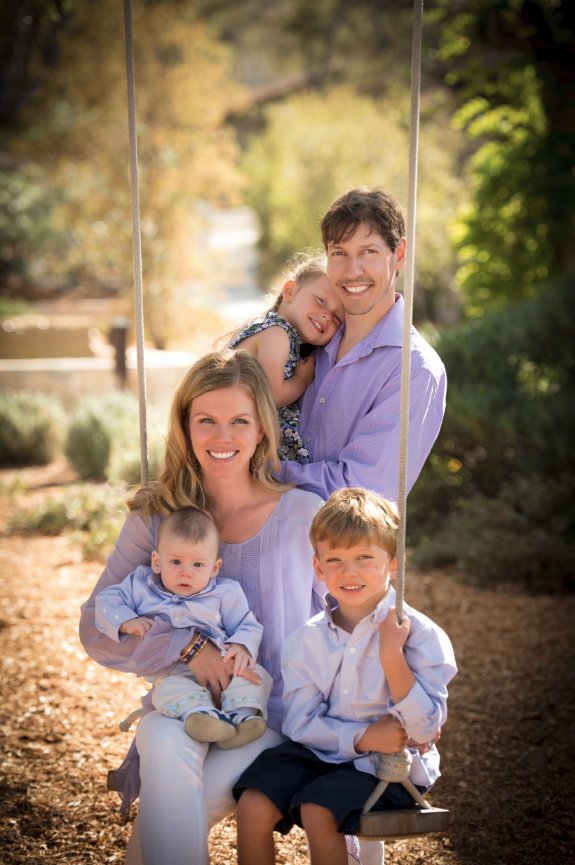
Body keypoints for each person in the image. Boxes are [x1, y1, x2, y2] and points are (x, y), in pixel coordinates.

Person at [79, 349, 325, 865]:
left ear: (263, 429)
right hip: (180, 705)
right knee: (164, 747)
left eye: (240, 421)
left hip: (268, 714)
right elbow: (95, 627)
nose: (222, 437)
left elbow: (358, 616)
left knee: (179, 803)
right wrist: (187, 647)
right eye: (206, 420)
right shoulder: (156, 518)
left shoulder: (303, 515)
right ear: (185, 426)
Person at [233, 488, 457, 865]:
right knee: (253, 804)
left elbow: (423, 730)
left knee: (319, 809)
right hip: (321, 753)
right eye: (334, 559)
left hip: (386, 769)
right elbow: (301, 723)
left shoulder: (421, 636)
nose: (349, 572)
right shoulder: (305, 640)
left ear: (392, 564)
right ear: (318, 568)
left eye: (365, 557)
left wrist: (391, 656)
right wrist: (363, 735)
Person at [277, 187, 447, 504]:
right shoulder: (309, 336)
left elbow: (360, 491)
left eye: (368, 252)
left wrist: (260, 472)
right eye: (339, 253)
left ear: (398, 255)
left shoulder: (415, 369)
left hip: (333, 552)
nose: (353, 271)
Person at [94, 506, 273, 749]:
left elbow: (246, 623)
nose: (186, 572)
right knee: (167, 689)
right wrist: (126, 620)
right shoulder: (141, 585)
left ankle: (242, 717)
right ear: (157, 562)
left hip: (224, 665)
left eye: (198, 565)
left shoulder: (225, 592)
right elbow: (105, 601)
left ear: (214, 568)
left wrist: (241, 646)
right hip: (173, 670)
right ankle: (201, 717)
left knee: (255, 675)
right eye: (176, 561)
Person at [227, 253, 344, 464]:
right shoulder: (277, 333)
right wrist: (302, 379)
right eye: (321, 301)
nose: (327, 315)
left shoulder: (280, 334)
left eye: (337, 317)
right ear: (290, 290)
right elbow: (271, 395)